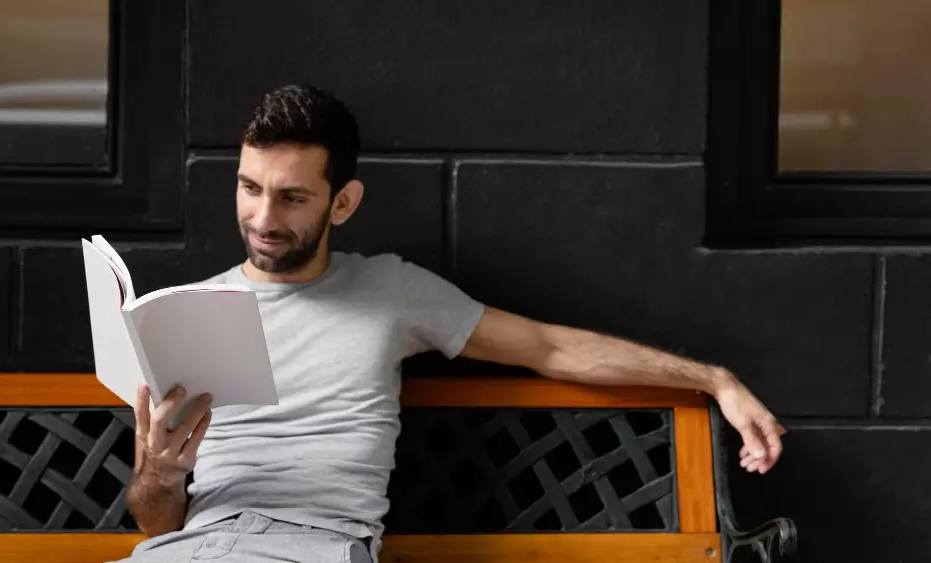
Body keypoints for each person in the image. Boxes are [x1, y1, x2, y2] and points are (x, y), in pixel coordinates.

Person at [116, 84, 783, 563]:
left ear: (342, 202)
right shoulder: (187, 313)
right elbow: (155, 521)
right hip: (194, 546)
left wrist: (713, 379)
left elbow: (549, 347)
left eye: (292, 197)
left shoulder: (391, 290)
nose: (263, 217)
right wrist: (162, 474)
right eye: (250, 187)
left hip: (316, 547)